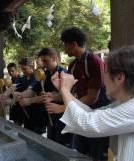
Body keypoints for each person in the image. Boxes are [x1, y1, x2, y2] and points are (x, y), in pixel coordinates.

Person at [52, 45, 134, 161]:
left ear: (119, 78)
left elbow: (87, 123)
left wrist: (65, 90)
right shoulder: (128, 103)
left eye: (105, 72)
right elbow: (90, 114)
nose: (103, 77)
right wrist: (64, 92)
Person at [52, 27, 108, 160]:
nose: (64, 48)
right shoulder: (72, 66)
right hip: (81, 115)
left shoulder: (94, 61)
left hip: (97, 117)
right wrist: (56, 91)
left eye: (65, 44)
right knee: (81, 153)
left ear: (74, 44)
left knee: (97, 155)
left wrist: (63, 108)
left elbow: (92, 98)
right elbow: (71, 94)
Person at [18, 48, 72, 146]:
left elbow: (66, 96)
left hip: (62, 117)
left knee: (62, 147)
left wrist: (30, 100)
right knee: (51, 144)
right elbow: (32, 90)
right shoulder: (44, 74)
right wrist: (21, 95)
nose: (43, 63)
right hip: (49, 116)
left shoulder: (63, 73)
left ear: (54, 58)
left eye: (45, 61)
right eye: (42, 61)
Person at [14, 57, 47, 135]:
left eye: (25, 69)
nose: (23, 71)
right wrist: (6, 96)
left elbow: (31, 92)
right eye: (21, 69)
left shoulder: (37, 75)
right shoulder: (22, 77)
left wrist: (21, 95)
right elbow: (13, 87)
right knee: (27, 135)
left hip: (38, 114)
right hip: (26, 112)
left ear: (31, 66)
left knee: (37, 137)